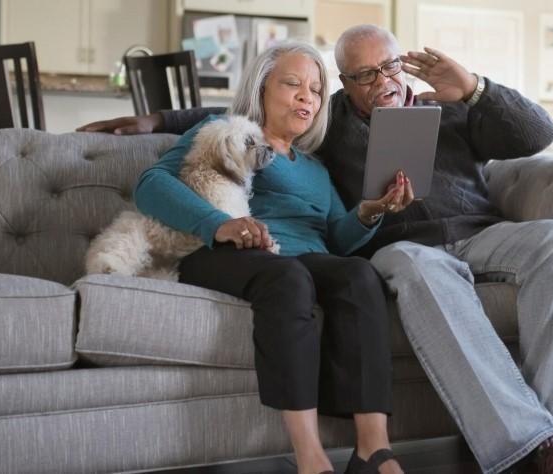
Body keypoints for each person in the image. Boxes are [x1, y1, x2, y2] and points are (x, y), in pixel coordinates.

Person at [79, 25, 553, 474]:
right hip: (406, 249)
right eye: (364, 75)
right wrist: (155, 120)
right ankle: (520, 445)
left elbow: (538, 133)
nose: (383, 81)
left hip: (479, 232)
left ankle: (551, 446)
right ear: (346, 87)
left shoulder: (443, 113)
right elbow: (243, 115)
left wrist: (473, 89)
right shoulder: (324, 125)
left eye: (390, 67)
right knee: (384, 270)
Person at [126, 41, 408, 474]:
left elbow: (336, 236)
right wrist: (215, 223)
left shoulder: (314, 166)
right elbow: (151, 183)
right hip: (230, 252)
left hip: (301, 258)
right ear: (260, 89)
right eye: (292, 84)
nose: (306, 97)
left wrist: (370, 209)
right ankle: (310, 458)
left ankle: (374, 450)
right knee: (289, 278)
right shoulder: (228, 132)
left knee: (357, 275)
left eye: (315, 90)